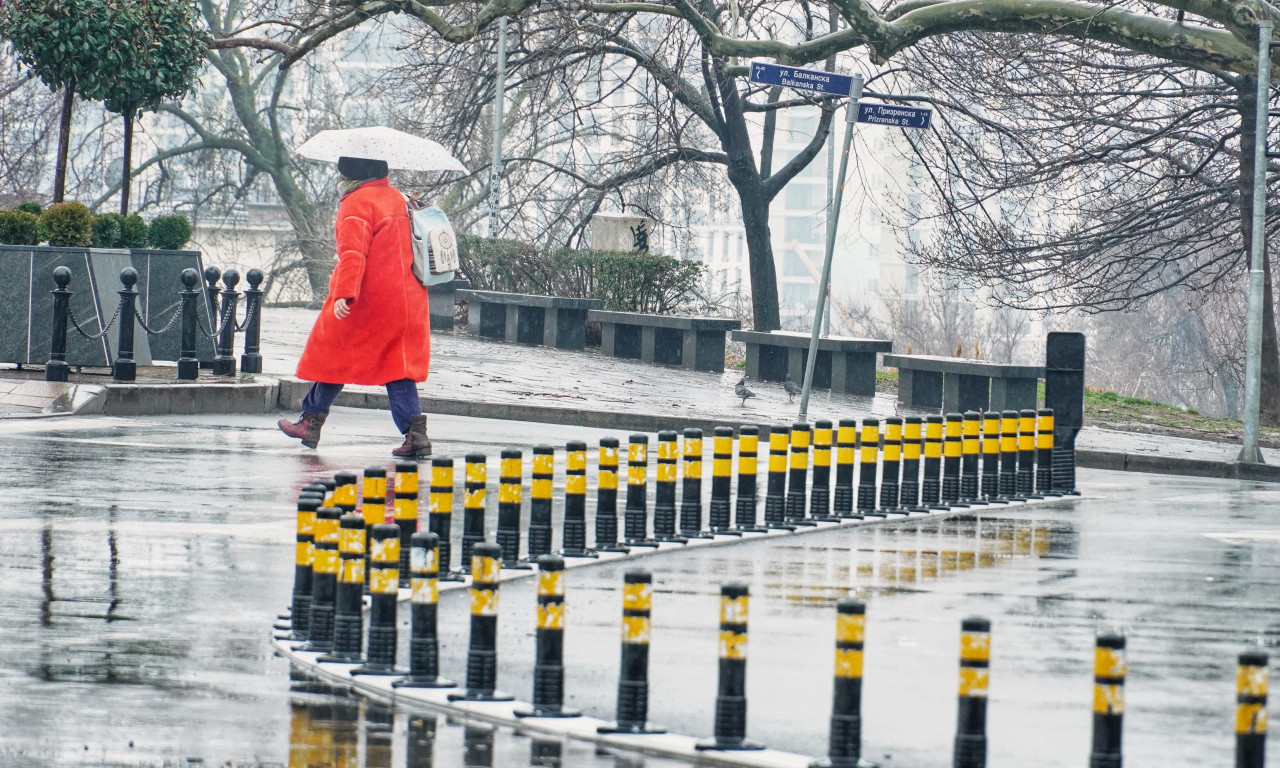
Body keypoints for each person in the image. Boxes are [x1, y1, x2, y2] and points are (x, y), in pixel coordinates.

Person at [277, 155, 432, 457]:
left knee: (333, 353)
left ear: (352, 174)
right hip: (408, 297)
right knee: (397, 367)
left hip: (371, 298)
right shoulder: (398, 199)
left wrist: (343, 296)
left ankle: (310, 422)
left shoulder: (357, 202)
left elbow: (353, 254)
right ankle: (416, 436)